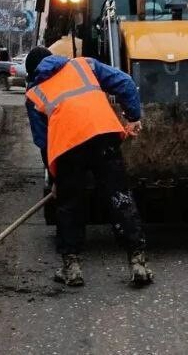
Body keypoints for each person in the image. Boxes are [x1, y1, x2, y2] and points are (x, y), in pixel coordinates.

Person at [24, 46, 153, 288]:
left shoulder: (34, 93)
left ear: (33, 73)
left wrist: (55, 180)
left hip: (67, 149)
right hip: (104, 136)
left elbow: (43, 141)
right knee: (119, 197)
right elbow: (124, 82)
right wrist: (133, 116)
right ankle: (138, 263)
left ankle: (72, 268)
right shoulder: (84, 64)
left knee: (69, 205)